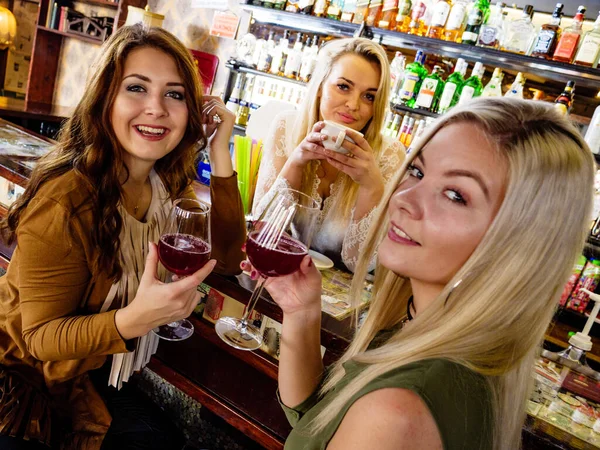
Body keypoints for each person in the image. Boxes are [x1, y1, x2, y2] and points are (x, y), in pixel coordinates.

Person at [244, 98, 594, 449]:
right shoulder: (433, 334)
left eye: (456, 195)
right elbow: (314, 421)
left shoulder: (398, 410)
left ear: (519, 240)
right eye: (418, 171)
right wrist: (302, 312)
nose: (404, 199)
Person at [0, 24, 245, 450]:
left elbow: (224, 258)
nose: (156, 108)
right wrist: (138, 318)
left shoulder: (165, 180)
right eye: (136, 88)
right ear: (105, 100)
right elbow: (40, 341)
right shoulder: (66, 200)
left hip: (89, 374)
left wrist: (221, 149)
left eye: (174, 94)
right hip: (29, 390)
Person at [252, 38, 404, 272]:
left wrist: (371, 185)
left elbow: (362, 265)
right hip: (277, 277)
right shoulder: (287, 126)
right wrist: (297, 162)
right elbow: (261, 231)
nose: (354, 105)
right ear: (321, 87)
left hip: (337, 303)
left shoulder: (389, 154)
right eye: (343, 86)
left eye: (369, 96)